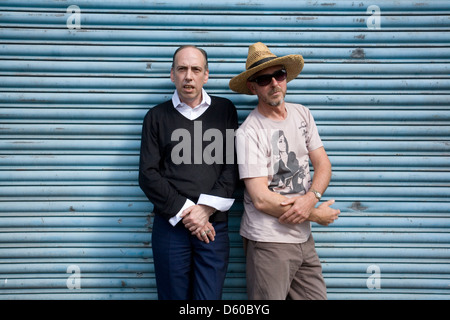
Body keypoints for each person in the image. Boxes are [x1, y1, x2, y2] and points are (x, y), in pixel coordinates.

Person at [230, 42, 340, 300]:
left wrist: (311, 197)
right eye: (264, 79)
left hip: (303, 239)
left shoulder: (303, 114)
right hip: (269, 242)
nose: (274, 83)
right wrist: (314, 214)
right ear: (253, 86)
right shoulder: (249, 132)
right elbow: (260, 198)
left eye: (279, 75)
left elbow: (323, 164)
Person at [139, 45, 238, 300]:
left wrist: (204, 211)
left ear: (206, 75)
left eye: (196, 69)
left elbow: (231, 169)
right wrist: (189, 213)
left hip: (213, 227)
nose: (188, 76)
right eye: (182, 69)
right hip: (171, 228)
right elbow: (148, 174)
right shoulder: (156, 117)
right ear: (172, 74)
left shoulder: (224, 111)